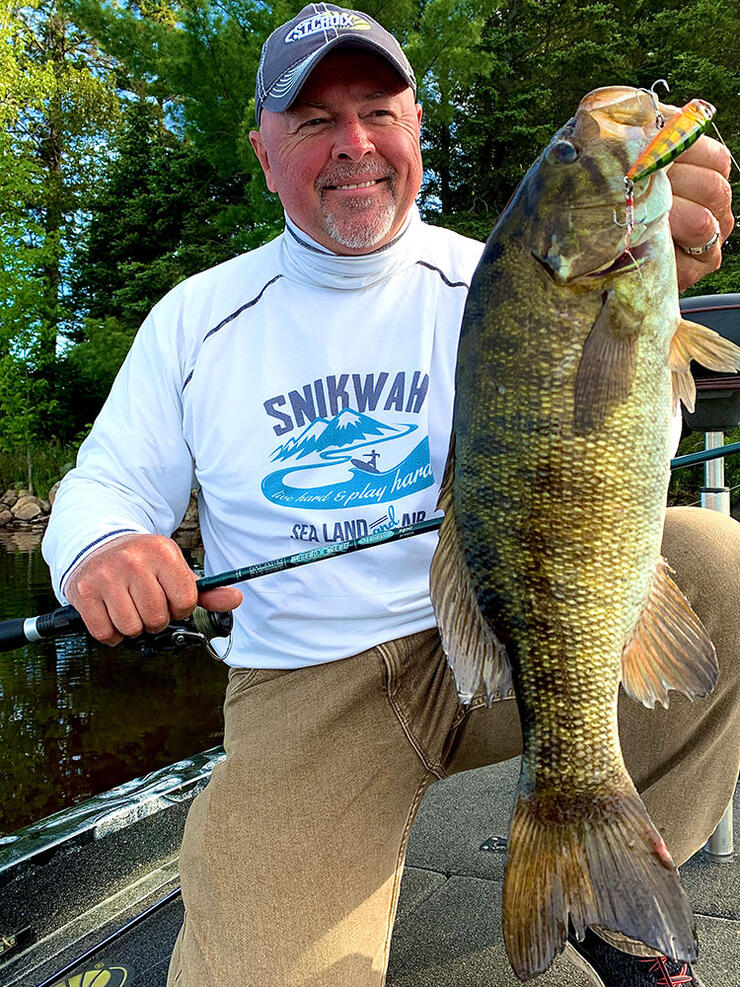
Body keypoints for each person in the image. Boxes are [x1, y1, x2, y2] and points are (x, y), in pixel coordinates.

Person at [42, 5, 739, 986]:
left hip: (496, 652)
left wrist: (646, 310)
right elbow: (104, 481)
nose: (354, 145)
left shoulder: (495, 277)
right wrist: (101, 545)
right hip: (307, 686)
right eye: (315, 120)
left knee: (720, 563)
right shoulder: (196, 318)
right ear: (264, 150)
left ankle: (610, 890)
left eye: (377, 110)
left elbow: (616, 456)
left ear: (413, 127)